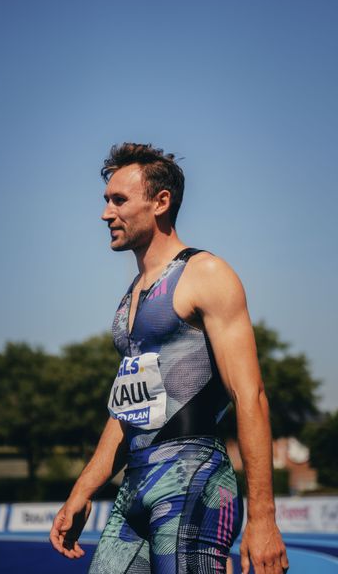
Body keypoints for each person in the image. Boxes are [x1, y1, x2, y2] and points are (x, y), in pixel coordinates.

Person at [50, 143, 289, 574]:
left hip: (192, 478)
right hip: (134, 486)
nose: (106, 214)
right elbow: (127, 412)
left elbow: (249, 396)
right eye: (106, 200)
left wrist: (264, 517)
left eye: (118, 200)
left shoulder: (206, 274)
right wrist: (82, 489)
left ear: (161, 202)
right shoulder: (132, 297)